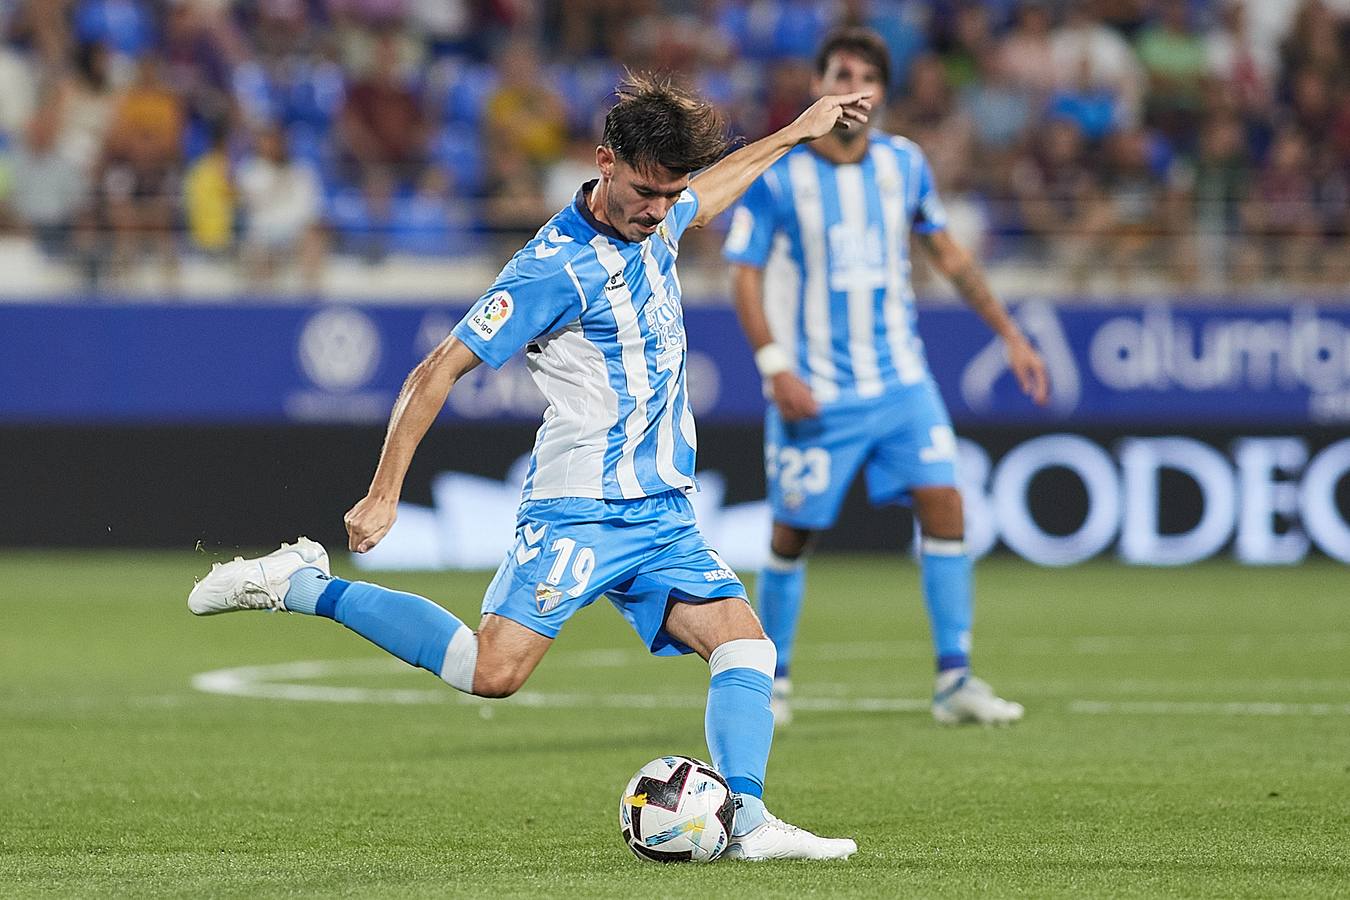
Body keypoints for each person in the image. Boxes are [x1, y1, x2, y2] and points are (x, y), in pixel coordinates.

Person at [188, 74, 873, 861]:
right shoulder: (551, 268)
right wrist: (384, 493)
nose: (660, 210)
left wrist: (798, 129)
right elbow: (437, 369)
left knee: (745, 646)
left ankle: (746, 821)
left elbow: (709, 192)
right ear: (604, 162)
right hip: (580, 507)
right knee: (491, 672)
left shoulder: (660, 216)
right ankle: (297, 583)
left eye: (669, 195)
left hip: (659, 513)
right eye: (648, 192)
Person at [722, 27, 1049, 727]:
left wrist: (1011, 334)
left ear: (879, 96)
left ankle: (954, 680)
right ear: (816, 88)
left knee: (946, 506)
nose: (849, 88)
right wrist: (775, 367)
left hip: (902, 380)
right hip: (815, 388)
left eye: (863, 78)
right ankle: (769, 682)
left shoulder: (906, 164)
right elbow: (743, 278)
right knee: (792, 533)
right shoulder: (779, 175)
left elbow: (950, 257)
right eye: (838, 74)